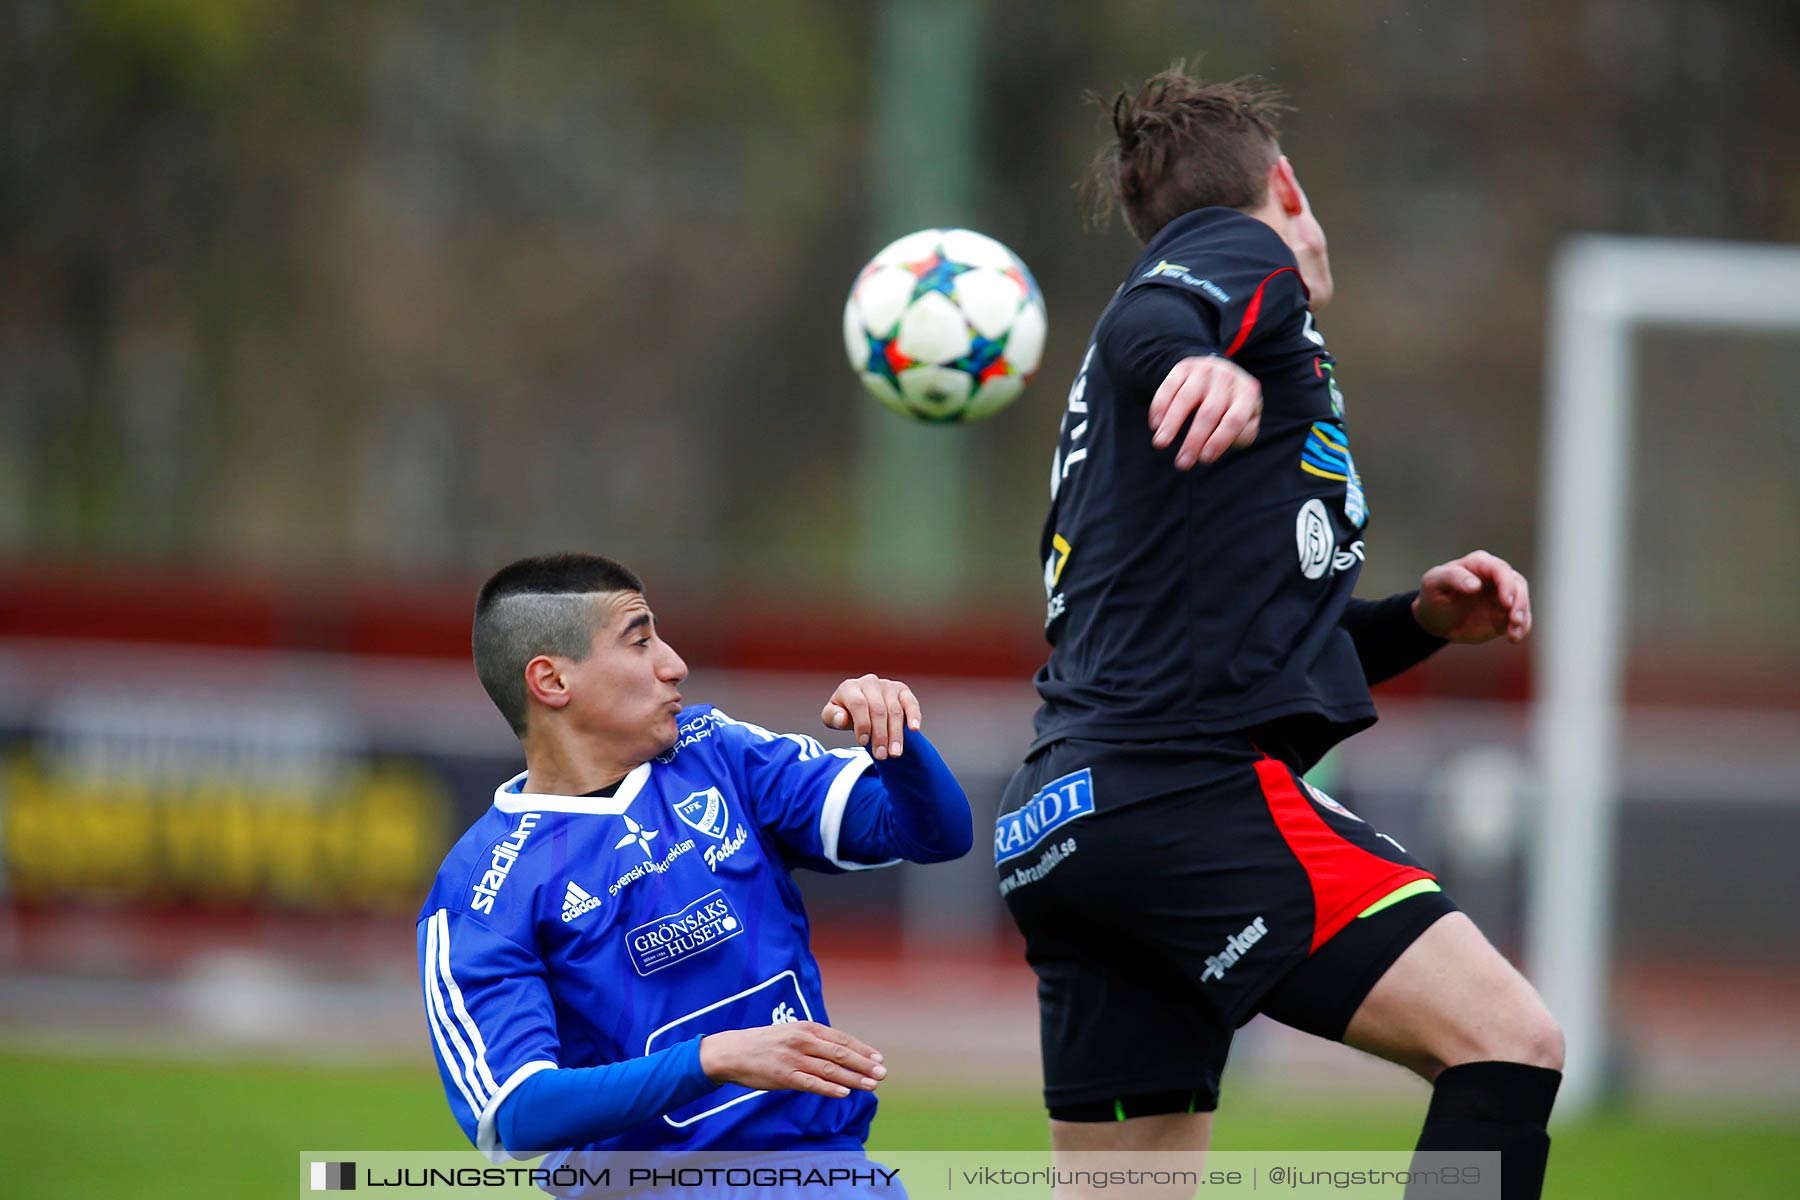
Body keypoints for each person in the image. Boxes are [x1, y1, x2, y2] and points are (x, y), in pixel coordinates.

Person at [996, 69, 1564, 1199]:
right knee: (1508, 1039)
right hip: (1180, 795)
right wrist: (1192, 358)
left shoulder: (1142, 413)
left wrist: (1423, 622)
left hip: (1068, 824)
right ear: (1287, 185)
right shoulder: (1227, 258)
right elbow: (1161, 319)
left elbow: (1245, 648)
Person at [420, 552, 972, 1176]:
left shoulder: (716, 753)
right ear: (551, 682)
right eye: (640, 641)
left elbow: (936, 834)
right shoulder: (483, 889)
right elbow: (514, 1116)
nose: (674, 664)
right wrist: (710, 1059)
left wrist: (896, 739)